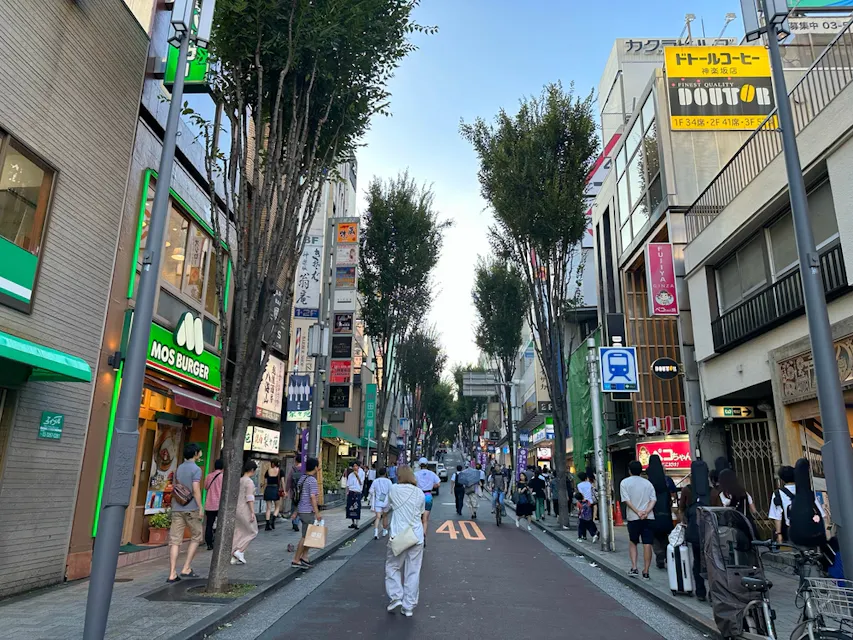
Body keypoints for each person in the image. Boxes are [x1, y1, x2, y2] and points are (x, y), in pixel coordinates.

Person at [385, 466, 426, 618]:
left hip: (398, 536)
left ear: (399, 476)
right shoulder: (419, 492)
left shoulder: (393, 489)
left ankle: (396, 596)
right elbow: (421, 512)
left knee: (392, 566)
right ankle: (408, 606)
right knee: (413, 571)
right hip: (416, 535)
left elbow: (386, 506)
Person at [167, 444, 204, 583]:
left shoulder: (179, 468)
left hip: (177, 507)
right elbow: (196, 489)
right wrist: (200, 507)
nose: (200, 453)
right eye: (199, 452)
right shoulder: (196, 469)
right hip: (191, 508)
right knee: (196, 536)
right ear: (195, 453)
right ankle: (186, 567)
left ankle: (172, 573)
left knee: (175, 541)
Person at [768, 465, 825, 543]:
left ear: (782, 479)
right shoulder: (807, 491)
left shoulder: (778, 494)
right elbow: (821, 513)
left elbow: (777, 516)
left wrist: (779, 534)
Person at [620, 460, 656, 580]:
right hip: (648, 517)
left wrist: (637, 512)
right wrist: (646, 511)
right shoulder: (648, 483)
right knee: (647, 543)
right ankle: (646, 571)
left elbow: (627, 500)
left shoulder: (624, 483)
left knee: (633, 541)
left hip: (633, 517)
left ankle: (634, 567)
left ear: (629, 470)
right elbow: (653, 499)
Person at [291, 457, 322, 569]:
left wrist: (296, 511)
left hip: (301, 510)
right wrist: (317, 513)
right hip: (308, 511)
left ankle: (304, 557)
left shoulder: (302, 478)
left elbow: (299, 497)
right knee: (306, 536)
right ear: (315, 467)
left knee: (308, 536)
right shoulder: (312, 480)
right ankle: (296, 560)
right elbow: (312, 497)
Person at [646, 455, 675, 570]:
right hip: (666, 512)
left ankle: (659, 554)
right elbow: (673, 496)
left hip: (653, 513)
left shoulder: (648, 483)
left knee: (655, 536)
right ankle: (667, 553)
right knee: (665, 535)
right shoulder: (667, 481)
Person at [232, 460, 259, 564]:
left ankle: (234, 553)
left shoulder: (239, 480)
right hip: (245, 509)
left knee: (238, 531)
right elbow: (249, 498)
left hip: (237, 509)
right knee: (253, 531)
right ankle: (240, 551)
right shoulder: (249, 482)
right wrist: (252, 512)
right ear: (252, 470)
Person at [415, 458, 440, 541]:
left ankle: (417, 536)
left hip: (418, 495)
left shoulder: (416, 474)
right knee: (425, 519)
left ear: (419, 465)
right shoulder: (432, 474)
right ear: (427, 465)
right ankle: (423, 536)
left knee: (418, 517)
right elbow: (438, 484)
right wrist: (431, 486)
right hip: (428, 495)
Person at [203, 458, 224, 550]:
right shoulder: (223, 477)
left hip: (209, 504)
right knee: (220, 524)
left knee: (209, 524)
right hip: (219, 504)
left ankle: (209, 543)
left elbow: (205, 487)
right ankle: (218, 541)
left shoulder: (209, 476)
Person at [369, 467, 392, 539]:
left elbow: (371, 490)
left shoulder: (375, 481)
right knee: (385, 516)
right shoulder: (388, 481)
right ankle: (384, 530)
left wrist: (374, 494)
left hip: (378, 501)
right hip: (386, 501)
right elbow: (391, 491)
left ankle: (376, 533)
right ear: (385, 473)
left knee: (378, 517)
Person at [263, 458, 282, 531]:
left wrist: (264, 489)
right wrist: (284, 490)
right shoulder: (280, 471)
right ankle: (273, 520)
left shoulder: (268, 471)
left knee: (268, 508)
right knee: (277, 507)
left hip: (268, 489)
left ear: (273, 463)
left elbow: (265, 482)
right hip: (276, 489)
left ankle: (267, 524)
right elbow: (282, 481)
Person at [285, 455, 302, 532]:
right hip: (302, 493)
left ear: (296, 461)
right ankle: (296, 521)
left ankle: (294, 522)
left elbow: (289, 480)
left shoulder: (293, 469)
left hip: (293, 492)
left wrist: (286, 490)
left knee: (293, 507)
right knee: (299, 508)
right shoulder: (304, 470)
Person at [346, 461, 365, 529]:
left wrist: (357, 475)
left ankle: (357, 523)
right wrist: (347, 492)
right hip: (351, 491)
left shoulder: (362, 473)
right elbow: (348, 485)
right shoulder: (350, 475)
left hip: (357, 492)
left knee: (357, 508)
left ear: (358, 466)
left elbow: (361, 483)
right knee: (351, 508)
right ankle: (353, 523)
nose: (355, 467)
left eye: (356, 466)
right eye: (353, 466)